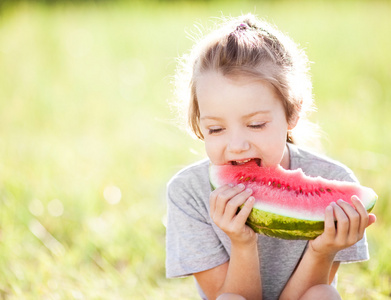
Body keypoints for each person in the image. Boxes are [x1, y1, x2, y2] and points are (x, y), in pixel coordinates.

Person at [165, 13, 376, 300]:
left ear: (291, 114)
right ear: (198, 126)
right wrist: (242, 243)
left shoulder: (337, 183)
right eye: (216, 129)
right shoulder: (188, 193)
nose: (237, 145)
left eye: (255, 125)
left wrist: (322, 249)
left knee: (322, 295)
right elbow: (224, 296)